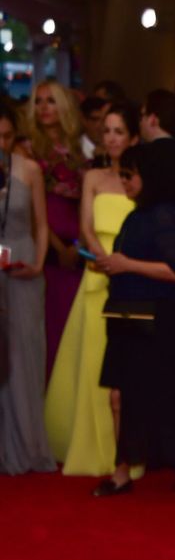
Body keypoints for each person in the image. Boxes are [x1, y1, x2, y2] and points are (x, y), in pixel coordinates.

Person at [92, 143, 175, 496]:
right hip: (125, 316)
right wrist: (111, 266)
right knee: (121, 395)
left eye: (129, 175)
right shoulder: (137, 214)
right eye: (121, 175)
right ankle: (123, 470)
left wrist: (126, 265)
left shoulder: (163, 214)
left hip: (154, 322)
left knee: (161, 395)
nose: (125, 182)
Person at [45, 101, 138, 476]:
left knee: (121, 369)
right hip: (97, 276)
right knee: (93, 362)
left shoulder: (137, 181)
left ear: (132, 137)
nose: (112, 138)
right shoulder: (94, 178)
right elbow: (84, 226)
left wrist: (124, 263)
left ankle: (124, 450)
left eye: (119, 131)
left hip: (130, 278)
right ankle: (87, 444)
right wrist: (102, 257)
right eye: (108, 131)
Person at [0, 100, 54, 475]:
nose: (0, 142)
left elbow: (43, 225)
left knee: (23, 356)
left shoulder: (30, 170)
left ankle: (27, 447)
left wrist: (38, 264)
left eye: (5, 136)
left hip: (23, 268)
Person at [23, 80, 87, 376]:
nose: (44, 107)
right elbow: (29, 211)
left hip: (78, 248)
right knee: (44, 327)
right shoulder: (26, 149)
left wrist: (78, 245)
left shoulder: (81, 148)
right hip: (44, 247)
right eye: (39, 101)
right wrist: (60, 248)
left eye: (50, 100)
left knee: (70, 328)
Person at [79, 95, 108, 162]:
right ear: (83, 120)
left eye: (104, 120)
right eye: (94, 120)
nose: (100, 126)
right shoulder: (73, 148)